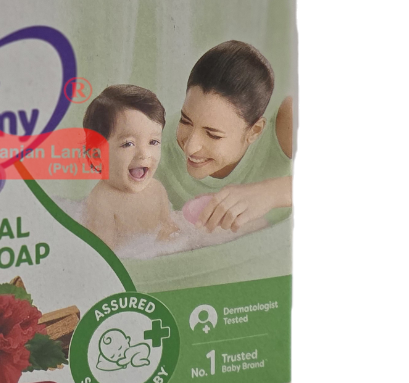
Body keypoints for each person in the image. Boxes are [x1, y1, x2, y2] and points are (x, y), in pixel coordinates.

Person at [160, 41, 293, 233]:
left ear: (254, 131)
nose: (190, 147)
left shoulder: (284, 121)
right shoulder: (153, 148)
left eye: (212, 135)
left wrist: (270, 193)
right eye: (185, 121)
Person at [81, 84, 177, 251]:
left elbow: (170, 231)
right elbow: (103, 256)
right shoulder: (101, 202)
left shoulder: (157, 190)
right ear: (97, 156)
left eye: (153, 142)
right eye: (128, 144)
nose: (144, 154)